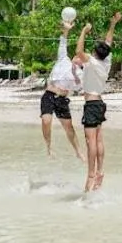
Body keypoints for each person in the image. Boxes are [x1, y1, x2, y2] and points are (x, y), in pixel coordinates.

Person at [75, 11, 121, 192]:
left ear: (94, 53)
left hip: (92, 105)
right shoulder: (106, 60)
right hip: (99, 104)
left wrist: (84, 32)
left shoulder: (93, 62)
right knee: (99, 140)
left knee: (90, 142)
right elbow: (108, 41)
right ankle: (100, 171)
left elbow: (78, 52)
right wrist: (113, 24)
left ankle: (91, 175)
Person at [40, 19, 83, 161]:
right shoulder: (63, 59)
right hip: (49, 95)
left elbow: (77, 87)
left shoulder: (81, 73)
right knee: (46, 121)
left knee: (69, 128)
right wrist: (67, 29)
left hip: (62, 99)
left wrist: (75, 73)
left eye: (81, 57)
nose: (78, 57)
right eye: (77, 55)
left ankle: (78, 151)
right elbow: (63, 41)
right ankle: (48, 147)